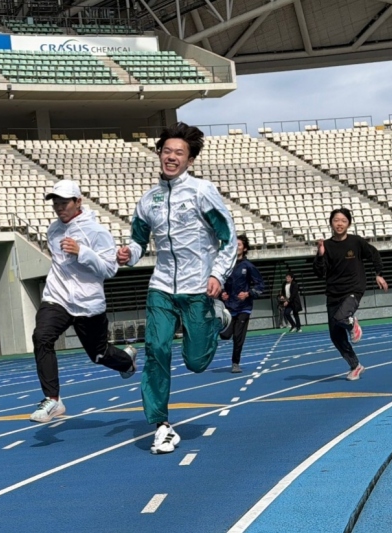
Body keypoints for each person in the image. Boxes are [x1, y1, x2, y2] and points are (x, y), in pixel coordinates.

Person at [117, 122, 237, 454]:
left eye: (178, 153)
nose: (171, 157)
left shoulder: (202, 191)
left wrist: (218, 275)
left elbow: (228, 238)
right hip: (161, 287)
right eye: (166, 151)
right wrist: (129, 254)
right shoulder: (148, 200)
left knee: (196, 362)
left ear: (189, 159)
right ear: (159, 154)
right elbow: (138, 241)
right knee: (156, 349)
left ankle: (217, 317)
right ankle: (161, 425)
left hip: (198, 286)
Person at [30, 179, 137, 423]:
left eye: (64, 203)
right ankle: (53, 400)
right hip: (57, 297)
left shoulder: (97, 232)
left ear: (78, 202)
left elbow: (109, 269)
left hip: (88, 303)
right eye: (55, 203)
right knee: (41, 337)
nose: (59, 207)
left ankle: (126, 360)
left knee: (99, 355)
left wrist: (82, 252)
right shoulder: (53, 230)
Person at [313, 208, 388, 381]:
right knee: (335, 336)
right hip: (333, 292)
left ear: (349, 224)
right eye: (336, 220)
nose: (339, 224)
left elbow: (374, 254)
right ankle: (355, 365)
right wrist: (320, 255)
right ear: (331, 223)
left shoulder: (356, 242)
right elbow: (319, 273)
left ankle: (353, 324)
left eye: (343, 221)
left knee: (342, 317)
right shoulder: (326, 246)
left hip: (353, 288)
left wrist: (378, 273)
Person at [219, 234, 265, 373]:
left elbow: (260, 285)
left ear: (244, 249)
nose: (236, 247)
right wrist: (222, 293)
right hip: (229, 306)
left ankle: (235, 363)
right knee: (225, 335)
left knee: (238, 336)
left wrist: (248, 293)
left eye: (238, 245)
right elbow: (220, 282)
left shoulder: (248, 266)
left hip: (244, 307)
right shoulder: (226, 265)